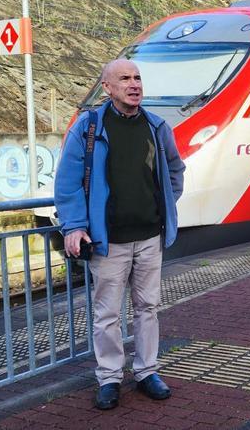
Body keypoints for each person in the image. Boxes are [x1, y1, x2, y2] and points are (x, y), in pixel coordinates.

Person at [54, 59, 185, 410]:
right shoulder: (89, 127)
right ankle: (109, 377)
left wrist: (166, 203)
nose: (134, 84)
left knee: (147, 308)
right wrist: (74, 225)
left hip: (149, 236)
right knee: (107, 314)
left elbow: (175, 168)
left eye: (138, 77)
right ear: (108, 88)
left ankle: (147, 372)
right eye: (124, 78)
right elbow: (67, 182)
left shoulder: (157, 127)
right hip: (107, 240)